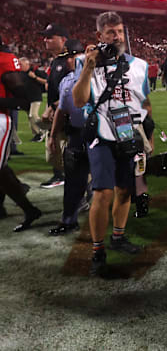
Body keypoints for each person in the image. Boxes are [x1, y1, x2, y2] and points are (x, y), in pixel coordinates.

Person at [73, 11, 150, 276]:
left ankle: (118, 236)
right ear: (99, 35)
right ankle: (98, 249)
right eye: (110, 32)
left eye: (119, 31)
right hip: (101, 135)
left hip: (128, 135)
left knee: (126, 190)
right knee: (103, 193)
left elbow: (144, 101)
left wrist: (146, 135)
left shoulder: (139, 65)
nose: (116, 36)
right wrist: (88, 67)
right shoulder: (85, 61)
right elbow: (80, 100)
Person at [48, 39, 92, 236]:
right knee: (73, 181)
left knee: (112, 179)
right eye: (68, 57)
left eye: (73, 56)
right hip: (76, 133)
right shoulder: (66, 80)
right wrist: (52, 135)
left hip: (101, 133)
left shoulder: (101, 77)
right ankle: (69, 220)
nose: (70, 61)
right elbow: (62, 110)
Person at [0, 35, 42, 231]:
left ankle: (29, 209)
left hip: (0, 120)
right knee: (2, 167)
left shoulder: (4, 60)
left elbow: (23, 101)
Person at [39, 23, 70, 189]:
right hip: (56, 112)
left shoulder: (70, 60)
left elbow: (72, 89)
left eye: (50, 37)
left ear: (63, 39)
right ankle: (59, 175)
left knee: (68, 150)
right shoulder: (57, 61)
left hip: (68, 114)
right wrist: (50, 107)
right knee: (54, 149)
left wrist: (53, 107)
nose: (46, 40)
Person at [18, 57, 47, 142]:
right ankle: (36, 135)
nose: (20, 66)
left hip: (36, 97)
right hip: (27, 98)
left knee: (33, 115)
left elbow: (46, 81)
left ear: (27, 64)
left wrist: (35, 77)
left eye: (21, 64)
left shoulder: (36, 71)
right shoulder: (21, 73)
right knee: (30, 118)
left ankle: (42, 130)